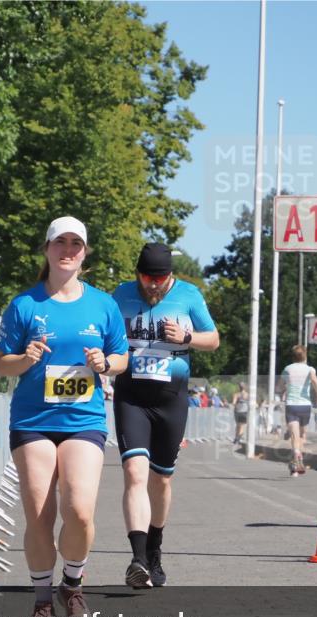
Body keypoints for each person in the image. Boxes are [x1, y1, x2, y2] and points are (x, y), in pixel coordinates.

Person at [0, 216, 129, 617]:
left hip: (83, 418)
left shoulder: (103, 305)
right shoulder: (25, 305)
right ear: (47, 249)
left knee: (80, 510)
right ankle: (40, 599)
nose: (68, 250)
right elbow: (2, 364)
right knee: (38, 513)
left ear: (84, 253)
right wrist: (26, 358)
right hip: (33, 419)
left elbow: (121, 360)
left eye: (76, 244)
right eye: (60, 243)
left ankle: (72, 583)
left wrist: (105, 363)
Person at [112, 243, 220, 588]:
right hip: (131, 396)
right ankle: (138, 558)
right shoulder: (122, 295)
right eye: (146, 277)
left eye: (159, 278)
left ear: (170, 275)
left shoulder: (189, 295)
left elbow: (214, 339)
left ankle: (155, 547)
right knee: (133, 471)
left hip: (170, 399)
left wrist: (187, 336)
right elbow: (106, 335)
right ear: (137, 274)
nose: (153, 284)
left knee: (162, 480)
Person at [278, 345, 317, 476]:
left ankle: (296, 457)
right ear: (305, 355)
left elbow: (280, 386)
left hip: (291, 405)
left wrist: (285, 388)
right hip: (305, 406)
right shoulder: (310, 369)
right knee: (302, 435)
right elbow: (314, 380)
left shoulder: (287, 369)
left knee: (294, 435)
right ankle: (298, 459)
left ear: (293, 356)